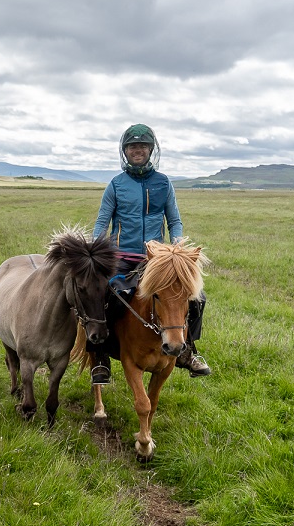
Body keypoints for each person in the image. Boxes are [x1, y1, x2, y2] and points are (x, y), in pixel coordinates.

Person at [89, 123, 211, 384]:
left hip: (156, 260)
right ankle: (99, 355)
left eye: (142, 146)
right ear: (125, 151)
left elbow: (174, 220)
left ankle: (188, 350)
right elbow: (102, 221)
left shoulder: (163, 183)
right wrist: (95, 248)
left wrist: (177, 246)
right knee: (100, 295)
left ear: (151, 150)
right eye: (133, 146)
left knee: (196, 297)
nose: (138, 150)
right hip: (121, 256)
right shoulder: (116, 185)